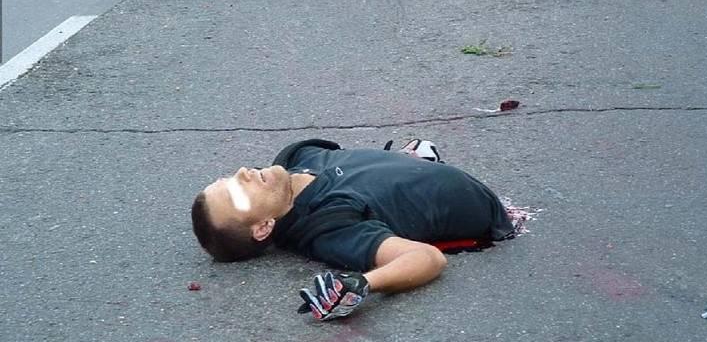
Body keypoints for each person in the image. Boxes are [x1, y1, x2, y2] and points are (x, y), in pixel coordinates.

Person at [191, 138, 516, 321]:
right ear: (263, 227)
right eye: (238, 193)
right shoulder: (327, 225)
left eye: (229, 179)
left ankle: (412, 159)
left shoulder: (294, 160)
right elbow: (427, 258)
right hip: (476, 205)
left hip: (410, 171)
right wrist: (362, 283)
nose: (242, 172)